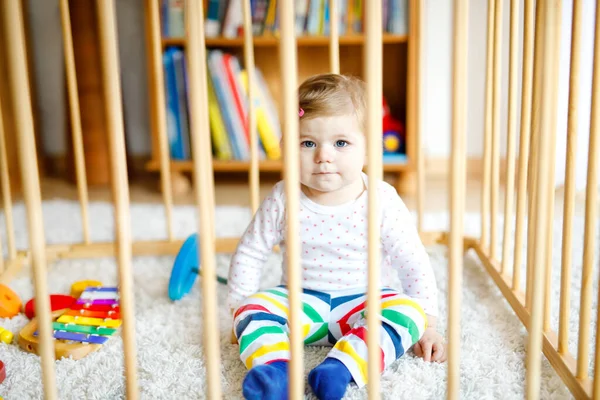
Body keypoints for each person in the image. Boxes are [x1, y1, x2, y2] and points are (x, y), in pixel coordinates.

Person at [227, 73, 445, 400]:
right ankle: (275, 369)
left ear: (369, 149)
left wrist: (427, 323)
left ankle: (342, 367)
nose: (323, 156)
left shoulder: (382, 200)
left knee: (408, 311)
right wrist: (237, 307)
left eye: (340, 143)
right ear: (287, 148)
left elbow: (412, 261)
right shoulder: (283, 197)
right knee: (251, 308)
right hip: (301, 304)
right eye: (308, 143)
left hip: (364, 303)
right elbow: (250, 252)